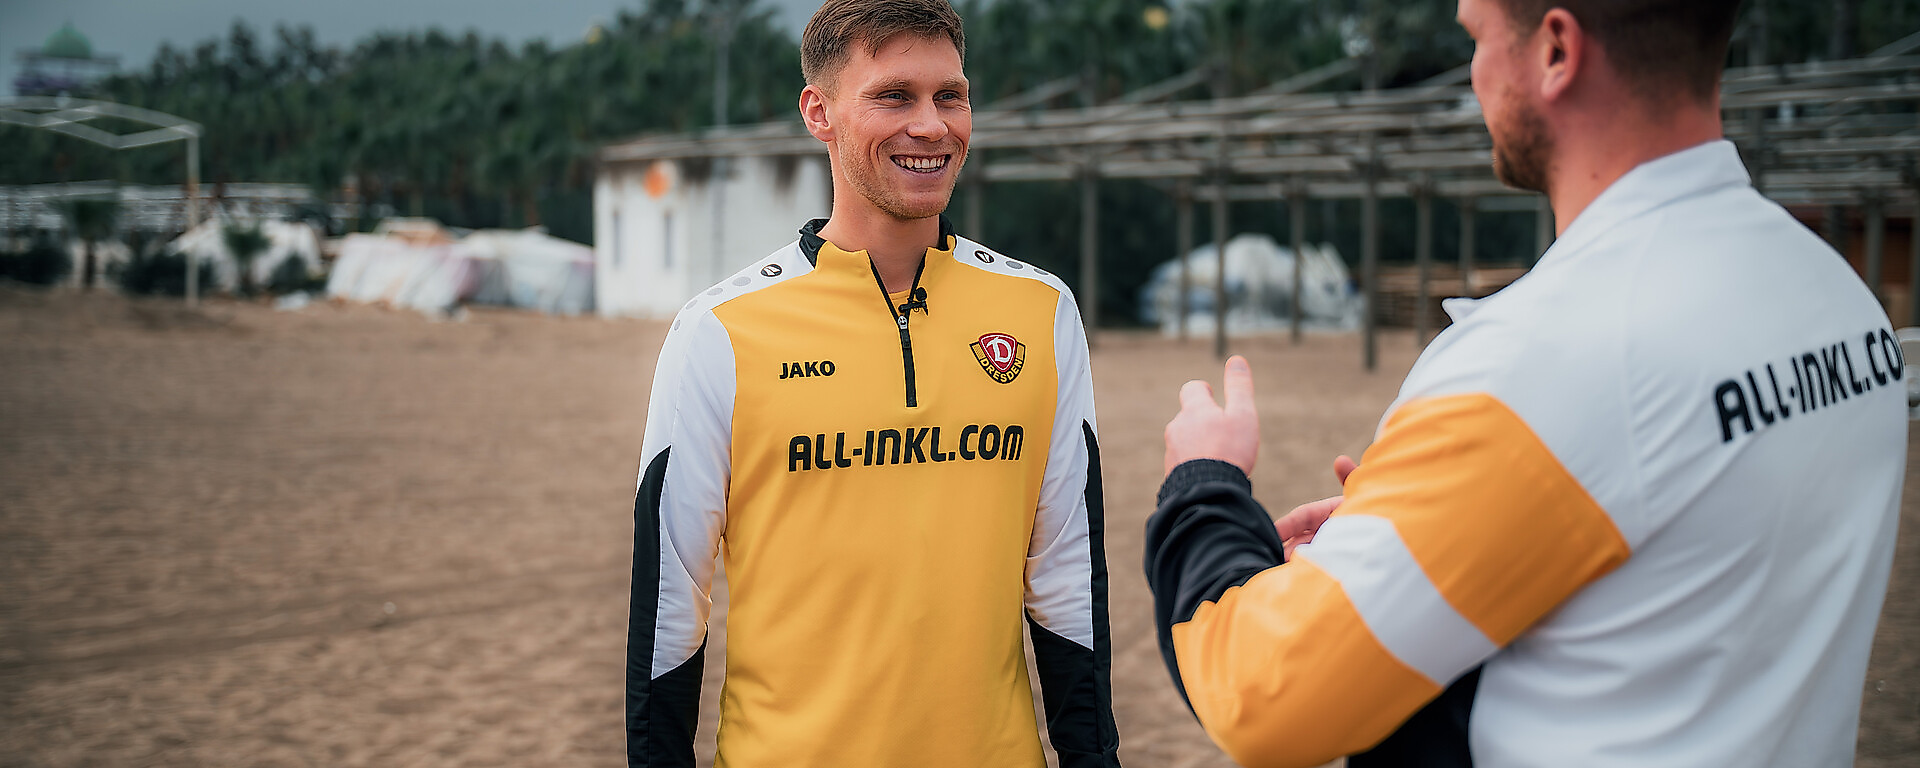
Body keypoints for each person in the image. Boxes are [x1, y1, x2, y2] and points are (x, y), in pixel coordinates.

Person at [1144, 1, 1906, 766]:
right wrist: (1437, 518)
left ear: (1555, 49)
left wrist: (1203, 484)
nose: (1472, 74)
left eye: (1476, 37)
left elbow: (1260, 697)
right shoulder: (1837, 298)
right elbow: (1690, 545)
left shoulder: (1535, 362)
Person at [624, 1, 1120, 766]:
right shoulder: (717, 332)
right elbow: (669, 604)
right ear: (818, 112)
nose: (931, 126)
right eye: (894, 96)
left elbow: (1064, 577)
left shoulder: (1042, 312)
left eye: (950, 96)